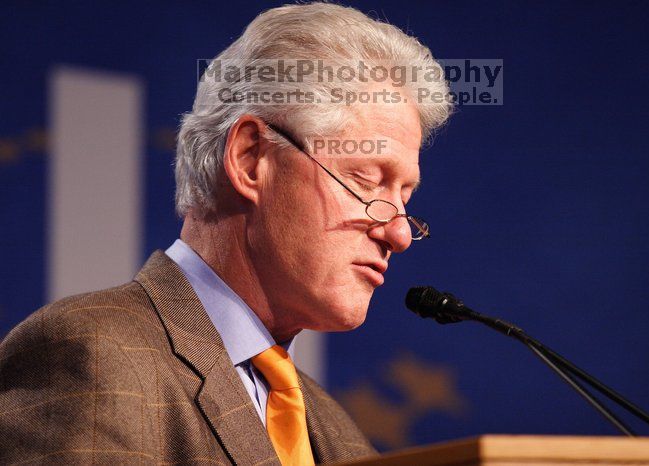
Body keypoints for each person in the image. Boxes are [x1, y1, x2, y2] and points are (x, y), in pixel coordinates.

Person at [0, 2, 452, 465]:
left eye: (406, 199)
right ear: (251, 159)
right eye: (364, 180)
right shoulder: (95, 356)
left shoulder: (339, 433)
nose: (398, 233)